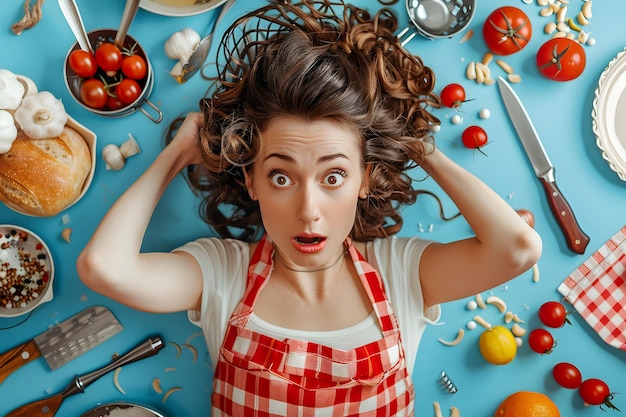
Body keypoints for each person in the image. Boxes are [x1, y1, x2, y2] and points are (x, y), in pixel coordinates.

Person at [77, 1, 542, 415]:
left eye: (334, 176)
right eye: (281, 177)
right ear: (251, 181)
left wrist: (413, 143)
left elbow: (517, 248)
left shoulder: (400, 272)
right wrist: (177, 152)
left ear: (365, 180)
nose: (308, 210)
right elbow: (104, 268)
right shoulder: (221, 274)